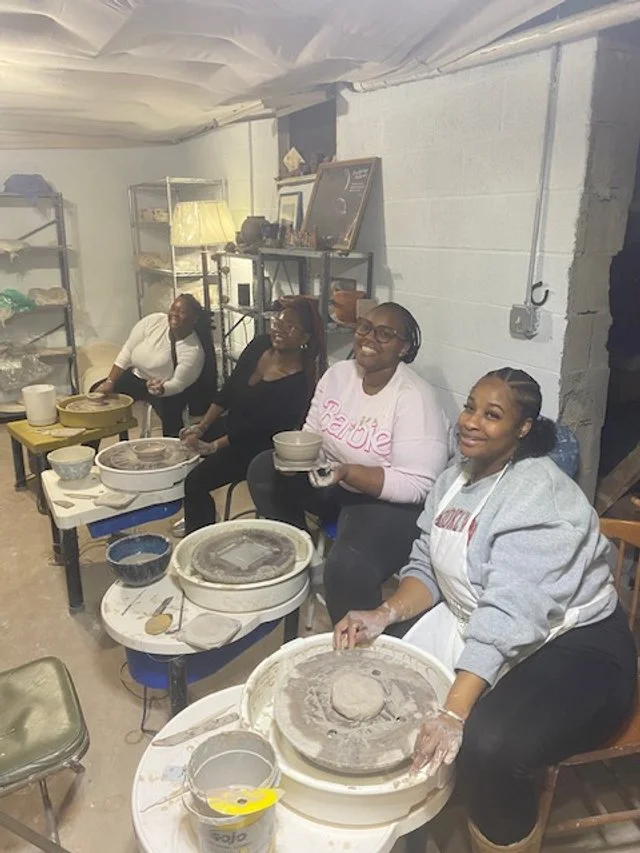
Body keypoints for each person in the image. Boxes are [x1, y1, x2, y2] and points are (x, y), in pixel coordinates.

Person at [334, 367, 637, 853]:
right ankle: (412, 822)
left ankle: (502, 837)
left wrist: (454, 713)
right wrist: (384, 613)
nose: (471, 421)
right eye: (470, 406)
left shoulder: (539, 493)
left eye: (492, 415)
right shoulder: (454, 478)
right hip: (483, 622)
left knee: (488, 744)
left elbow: (511, 611)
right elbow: (428, 567)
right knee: (392, 692)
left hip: (577, 646)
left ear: (522, 428)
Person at [248, 302, 450, 624]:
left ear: (404, 348)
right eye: (365, 328)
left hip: (389, 503)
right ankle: (306, 557)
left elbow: (419, 485)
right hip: (335, 481)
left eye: (385, 334)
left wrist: (349, 473)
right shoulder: (338, 375)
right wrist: (299, 455)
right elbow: (312, 432)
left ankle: (360, 648)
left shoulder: (414, 398)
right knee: (263, 469)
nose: (370, 338)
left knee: (347, 568)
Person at [179, 297, 326, 535]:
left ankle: (198, 538)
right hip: (235, 425)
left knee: (195, 482)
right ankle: (200, 515)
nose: (278, 328)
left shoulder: (298, 383)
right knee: (183, 444)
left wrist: (214, 447)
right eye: (277, 321)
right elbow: (228, 391)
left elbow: (257, 428)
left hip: (257, 447)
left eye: (291, 327)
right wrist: (202, 427)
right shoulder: (260, 345)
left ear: (305, 339)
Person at [95, 294, 216, 437]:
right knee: (98, 397)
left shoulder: (192, 351)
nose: (174, 315)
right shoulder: (153, 322)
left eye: (182, 312)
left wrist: (161, 389)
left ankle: (175, 452)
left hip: (165, 389)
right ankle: (91, 449)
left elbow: (178, 384)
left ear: (194, 319)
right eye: (173, 309)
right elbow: (128, 350)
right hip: (136, 377)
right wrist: (111, 381)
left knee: (171, 420)